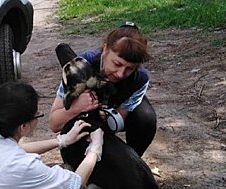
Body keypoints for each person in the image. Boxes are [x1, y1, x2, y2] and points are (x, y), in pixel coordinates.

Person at [49, 22, 156, 157]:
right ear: (105, 49)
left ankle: (133, 162)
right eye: (117, 64)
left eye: (130, 69)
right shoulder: (80, 66)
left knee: (145, 118)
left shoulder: (140, 78)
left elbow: (118, 120)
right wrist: (77, 107)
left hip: (110, 110)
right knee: (77, 132)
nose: (120, 74)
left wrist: (105, 120)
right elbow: (54, 124)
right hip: (81, 114)